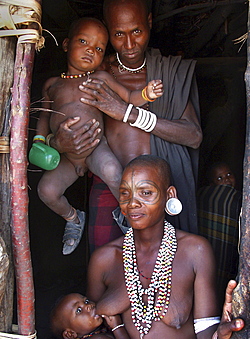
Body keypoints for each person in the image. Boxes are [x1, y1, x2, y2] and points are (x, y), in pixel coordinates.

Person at [59, 155, 244, 339]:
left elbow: (206, 334)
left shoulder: (195, 251)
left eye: (146, 193)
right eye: (125, 194)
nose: (133, 203)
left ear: (169, 195)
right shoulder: (104, 259)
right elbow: (88, 331)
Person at [48, 0, 203, 252]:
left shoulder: (167, 74)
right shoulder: (94, 73)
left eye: (137, 32)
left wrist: (127, 113)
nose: (129, 44)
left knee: (164, 272)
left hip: (158, 187)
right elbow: (58, 116)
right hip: (109, 187)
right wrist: (57, 142)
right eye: (119, 34)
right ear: (108, 32)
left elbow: (193, 135)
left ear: (149, 23)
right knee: (107, 267)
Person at [35, 16, 163, 254]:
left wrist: (146, 93)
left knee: (115, 173)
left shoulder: (101, 78)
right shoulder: (52, 85)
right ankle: (73, 218)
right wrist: (41, 143)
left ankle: (127, 218)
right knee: (46, 191)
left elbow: (128, 96)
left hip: (95, 147)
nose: (89, 50)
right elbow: (43, 117)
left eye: (98, 48)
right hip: (66, 157)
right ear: (66, 44)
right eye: (83, 41)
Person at [197, 162, 242, 305]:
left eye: (229, 175)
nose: (226, 180)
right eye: (220, 178)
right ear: (212, 184)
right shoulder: (207, 197)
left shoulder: (240, 199)